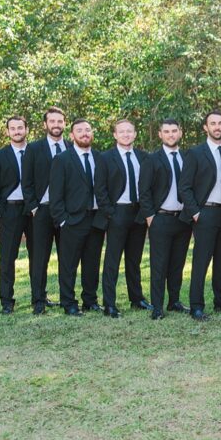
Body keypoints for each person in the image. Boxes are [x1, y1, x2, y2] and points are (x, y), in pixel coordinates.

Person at [178, 110, 221, 322]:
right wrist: (195, 213)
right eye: (213, 123)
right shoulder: (195, 153)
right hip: (205, 213)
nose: (217, 127)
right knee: (202, 261)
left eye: (220, 123)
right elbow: (185, 187)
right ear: (206, 127)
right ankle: (196, 306)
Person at [49, 118, 106, 316]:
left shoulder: (100, 158)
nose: (84, 133)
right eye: (79, 130)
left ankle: (90, 300)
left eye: (88, 130)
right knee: (69, 265)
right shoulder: (62, 159)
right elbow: (55, 195)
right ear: (72, 135)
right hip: (72, 220)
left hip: (96, 219)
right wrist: (63, 220)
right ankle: (69, 303)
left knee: (92, 263)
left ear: (92, 134)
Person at [137, 119, 192, 320]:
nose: (170, 134)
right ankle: (158, 306)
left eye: (174, 131)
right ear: (160, 134)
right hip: (160, 219)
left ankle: (174, 301)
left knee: (177, 264)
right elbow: (144, 192)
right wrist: (151, 217)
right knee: (159, 265)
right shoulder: (151, 160)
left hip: (183, 220)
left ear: (180, 133)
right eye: (166, 131)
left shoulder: (188, 157)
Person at [94, 119, 149, 318]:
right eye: (121, 131)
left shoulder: (144, 157)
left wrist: (145, 211)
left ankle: (137, 299)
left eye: (129, 131)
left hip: (138, 214)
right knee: (112, 260)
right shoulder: (105, 157)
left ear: (135, 134)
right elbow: (99, 190)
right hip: (117, 212)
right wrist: (111, 213)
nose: (126, 134)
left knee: (134, 260)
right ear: (115, 135)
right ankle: (109, 304)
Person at [22, 106, 70, 313]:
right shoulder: (33, 149)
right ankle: (39, 300)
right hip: (42, 211)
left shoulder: (71, 147)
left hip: (67, 212)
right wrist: (33, 207)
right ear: (45, 124)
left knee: (66, 257)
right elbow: (27, 181)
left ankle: (67, 299)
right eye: (52, 121)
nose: (56, 125)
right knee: (40, 257)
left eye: (60, 121)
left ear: (64, 124)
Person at [0, 115, 32, 314]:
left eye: (20, 128)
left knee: (38, 256)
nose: (17, 131)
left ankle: (39, 296)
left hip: (33, 209)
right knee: (7, 258)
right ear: (7, 132)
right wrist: (2, 211)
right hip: (10, 210)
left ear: (26, 130)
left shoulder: (35, 152)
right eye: (13, 128)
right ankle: (6, 301)